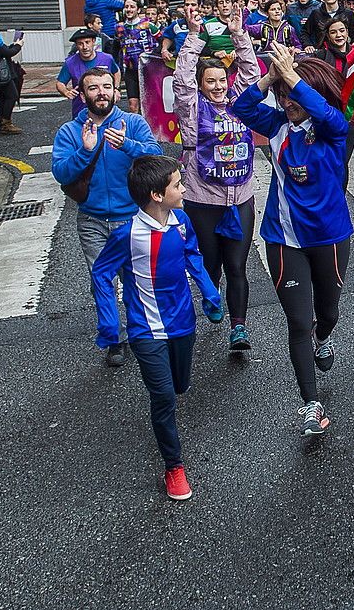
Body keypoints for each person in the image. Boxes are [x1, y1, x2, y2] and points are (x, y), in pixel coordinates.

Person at [229, 44, 351, 438]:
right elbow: (242, 109)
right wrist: (269, 78)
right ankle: (311, 404)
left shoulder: (332, 127)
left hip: (330, 237)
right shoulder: (277, 124)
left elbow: (328, 113)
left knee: (326, 314)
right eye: (282, 95)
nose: (287, 101)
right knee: (298, 321)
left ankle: (324, 336)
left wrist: (295, 78)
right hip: (283, 239)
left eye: (292, 94)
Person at [91, 155, 220, 501]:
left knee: (179, 387)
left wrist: (209, 291)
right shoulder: (128, 236)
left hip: (183, 325)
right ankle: (174, 467)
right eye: (178, 184)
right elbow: (101, 273)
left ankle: (171, 407)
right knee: (162, 398)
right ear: (157, 195)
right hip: (146, 331)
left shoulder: (181, 221)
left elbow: (193, 254)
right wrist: (109, 321)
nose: (184, 188)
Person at [53, 67, 164, 366]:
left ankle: (140, 329)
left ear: (115, 91)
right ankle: (114, 338)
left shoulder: (132, 122)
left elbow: (155, 155)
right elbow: (60, 172)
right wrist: (86, 151)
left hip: (132, 218)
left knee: (135, 278)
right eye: (93, 88)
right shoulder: (69, 132)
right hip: (92, 219)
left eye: (106, 87)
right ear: (83, 93)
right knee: (101, 280)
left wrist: (126, 144)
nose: (101, 92)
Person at [173, 11, 260, 352]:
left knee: (237, 265)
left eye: (222, 80)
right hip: (203, 199)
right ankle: (211, 298)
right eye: (210, 81)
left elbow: (251, 74)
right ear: (201, 83)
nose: (218, 86)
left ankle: (239, 327)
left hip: (240, 199)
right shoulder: (192, 108)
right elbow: (181, 82)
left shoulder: (238, 104)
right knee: (210, 265)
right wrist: (194, 36)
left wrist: (239, 35)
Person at [55, 29, 121, 119]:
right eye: (80, 44)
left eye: (87, 42)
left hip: (105, 108)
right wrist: (66, 92)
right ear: (76, 45)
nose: (84, 47)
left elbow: (116, 72)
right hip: (81, 110)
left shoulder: (107, 58)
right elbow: (60, 83)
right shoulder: (70, 63)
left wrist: (116, 89)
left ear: (93, 41)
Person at [116, 0, 158, 113]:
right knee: (132, 106)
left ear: (138, 10)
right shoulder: (120, 28)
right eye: (126, 7)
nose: (129, 10)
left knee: (149, 105)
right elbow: (117, 48)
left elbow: (162, 40)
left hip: (147, 70)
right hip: (131, 71)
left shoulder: (148, 25)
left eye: (132, 7)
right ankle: (135, 129)